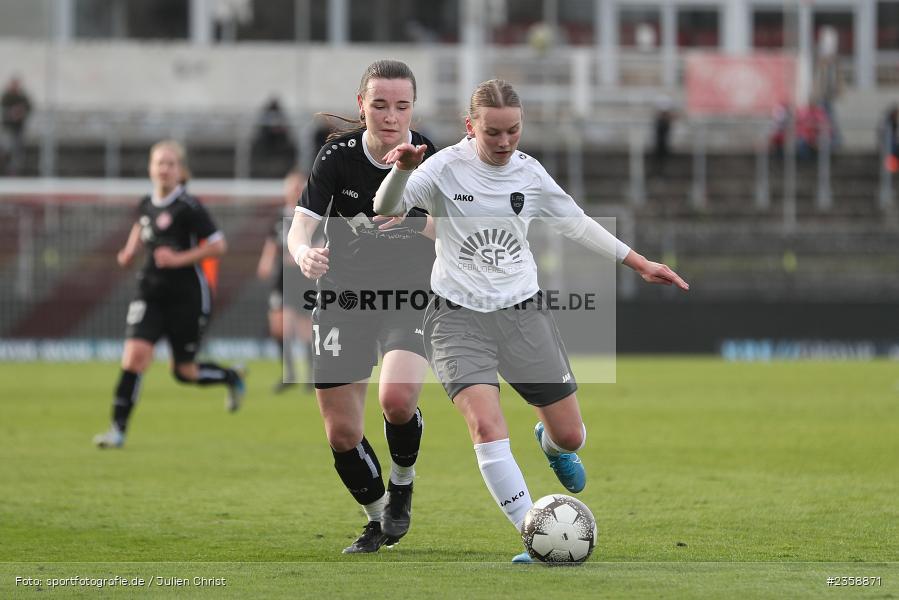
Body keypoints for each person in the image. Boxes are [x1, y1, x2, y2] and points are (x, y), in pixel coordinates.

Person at [374, 79, 689, 562]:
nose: (504, 143)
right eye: (493, 132)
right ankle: (533, 530)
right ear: (470, 126)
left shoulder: (530, 173)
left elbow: (577, 221)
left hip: (522, 313)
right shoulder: (441, 167)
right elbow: (385, 207)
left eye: (513, 132)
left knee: (571, 435)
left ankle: (552, 443)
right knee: (485, 424)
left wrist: (639, 262)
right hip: (456, 317)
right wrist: (402, 171)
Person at [286, 59, 437, 554]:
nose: (391, 116)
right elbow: (300, 225)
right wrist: (304, 253)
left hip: (408, 293)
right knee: (342, 433)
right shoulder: (336, 155)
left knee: (396, 400)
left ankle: (403, 482)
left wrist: (415, 225)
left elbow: (454, 227)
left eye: (401, 105)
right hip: (342, 295)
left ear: (412, 107)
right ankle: (378, 519)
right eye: (379, 105)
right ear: (361, 105)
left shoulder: (429, 154)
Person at [93, 140, 246, 449]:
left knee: (184, 372)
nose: (164, 169)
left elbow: (218, 245)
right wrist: (129, 251)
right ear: (150, 168)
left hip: (187, 297)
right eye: (159, 163)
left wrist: (177, 259)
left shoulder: (189, 206)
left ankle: (230, 377)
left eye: (170, 164)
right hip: (149, 292)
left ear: (181, 171)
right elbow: (142, 224)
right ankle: (117, 430)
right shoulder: (145, 204)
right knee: (135, 357)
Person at [256, 168, 315, 392]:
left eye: (299, 186)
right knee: (279, 327)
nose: (295, 190)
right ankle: (288, 373)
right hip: (282, 279)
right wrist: (266, 261)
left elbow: (319, 244)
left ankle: (309, 377)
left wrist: (302, 256)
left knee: (303, 330)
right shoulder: (279, 217)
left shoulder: (311, 216)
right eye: (291, 186)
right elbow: (272, 243)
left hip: (303, 278)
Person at [1, 76, 32, 175]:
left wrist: (21, 112)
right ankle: (5, 168)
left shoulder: (22, 96)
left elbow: (29, 107)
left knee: (17, 151)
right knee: (6, 147)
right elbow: (4, 109)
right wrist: (12, 113)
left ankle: (14, 171)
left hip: (19, 128)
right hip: (8, 127)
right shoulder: (6, 96)